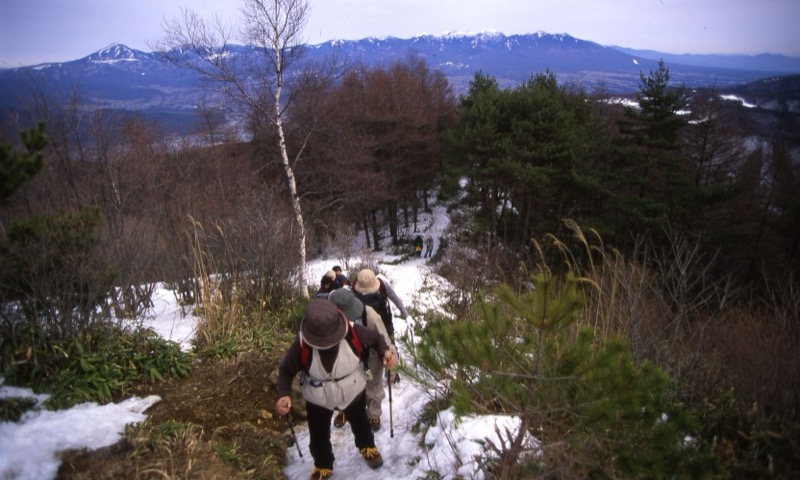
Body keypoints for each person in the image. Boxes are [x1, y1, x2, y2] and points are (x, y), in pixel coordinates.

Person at [275, 299, 397, 480]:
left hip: (352, 390)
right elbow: (286, 370)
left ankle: (367, 446)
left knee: (361, 423)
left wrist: (385, 352)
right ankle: (323, 464)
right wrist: (283, 394)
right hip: (317, 397)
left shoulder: (354, 332)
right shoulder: (302, 343)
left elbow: (376, 338)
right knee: (318, 435)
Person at [329, 288, 397, 432]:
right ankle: (345, 411)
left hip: (371, 356)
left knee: (373, 386)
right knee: (345, 386)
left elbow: (383, 338)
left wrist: (390, 358)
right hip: (347, 358)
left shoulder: (370, 315)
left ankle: (373, 414)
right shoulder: (329, 319)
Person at [352, 268, 410, 341]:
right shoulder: (354, 293)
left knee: (391, 347)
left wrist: (406, 316)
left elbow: (395, 299)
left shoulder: (382, 286)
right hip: (368, 331)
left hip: (386, 325)